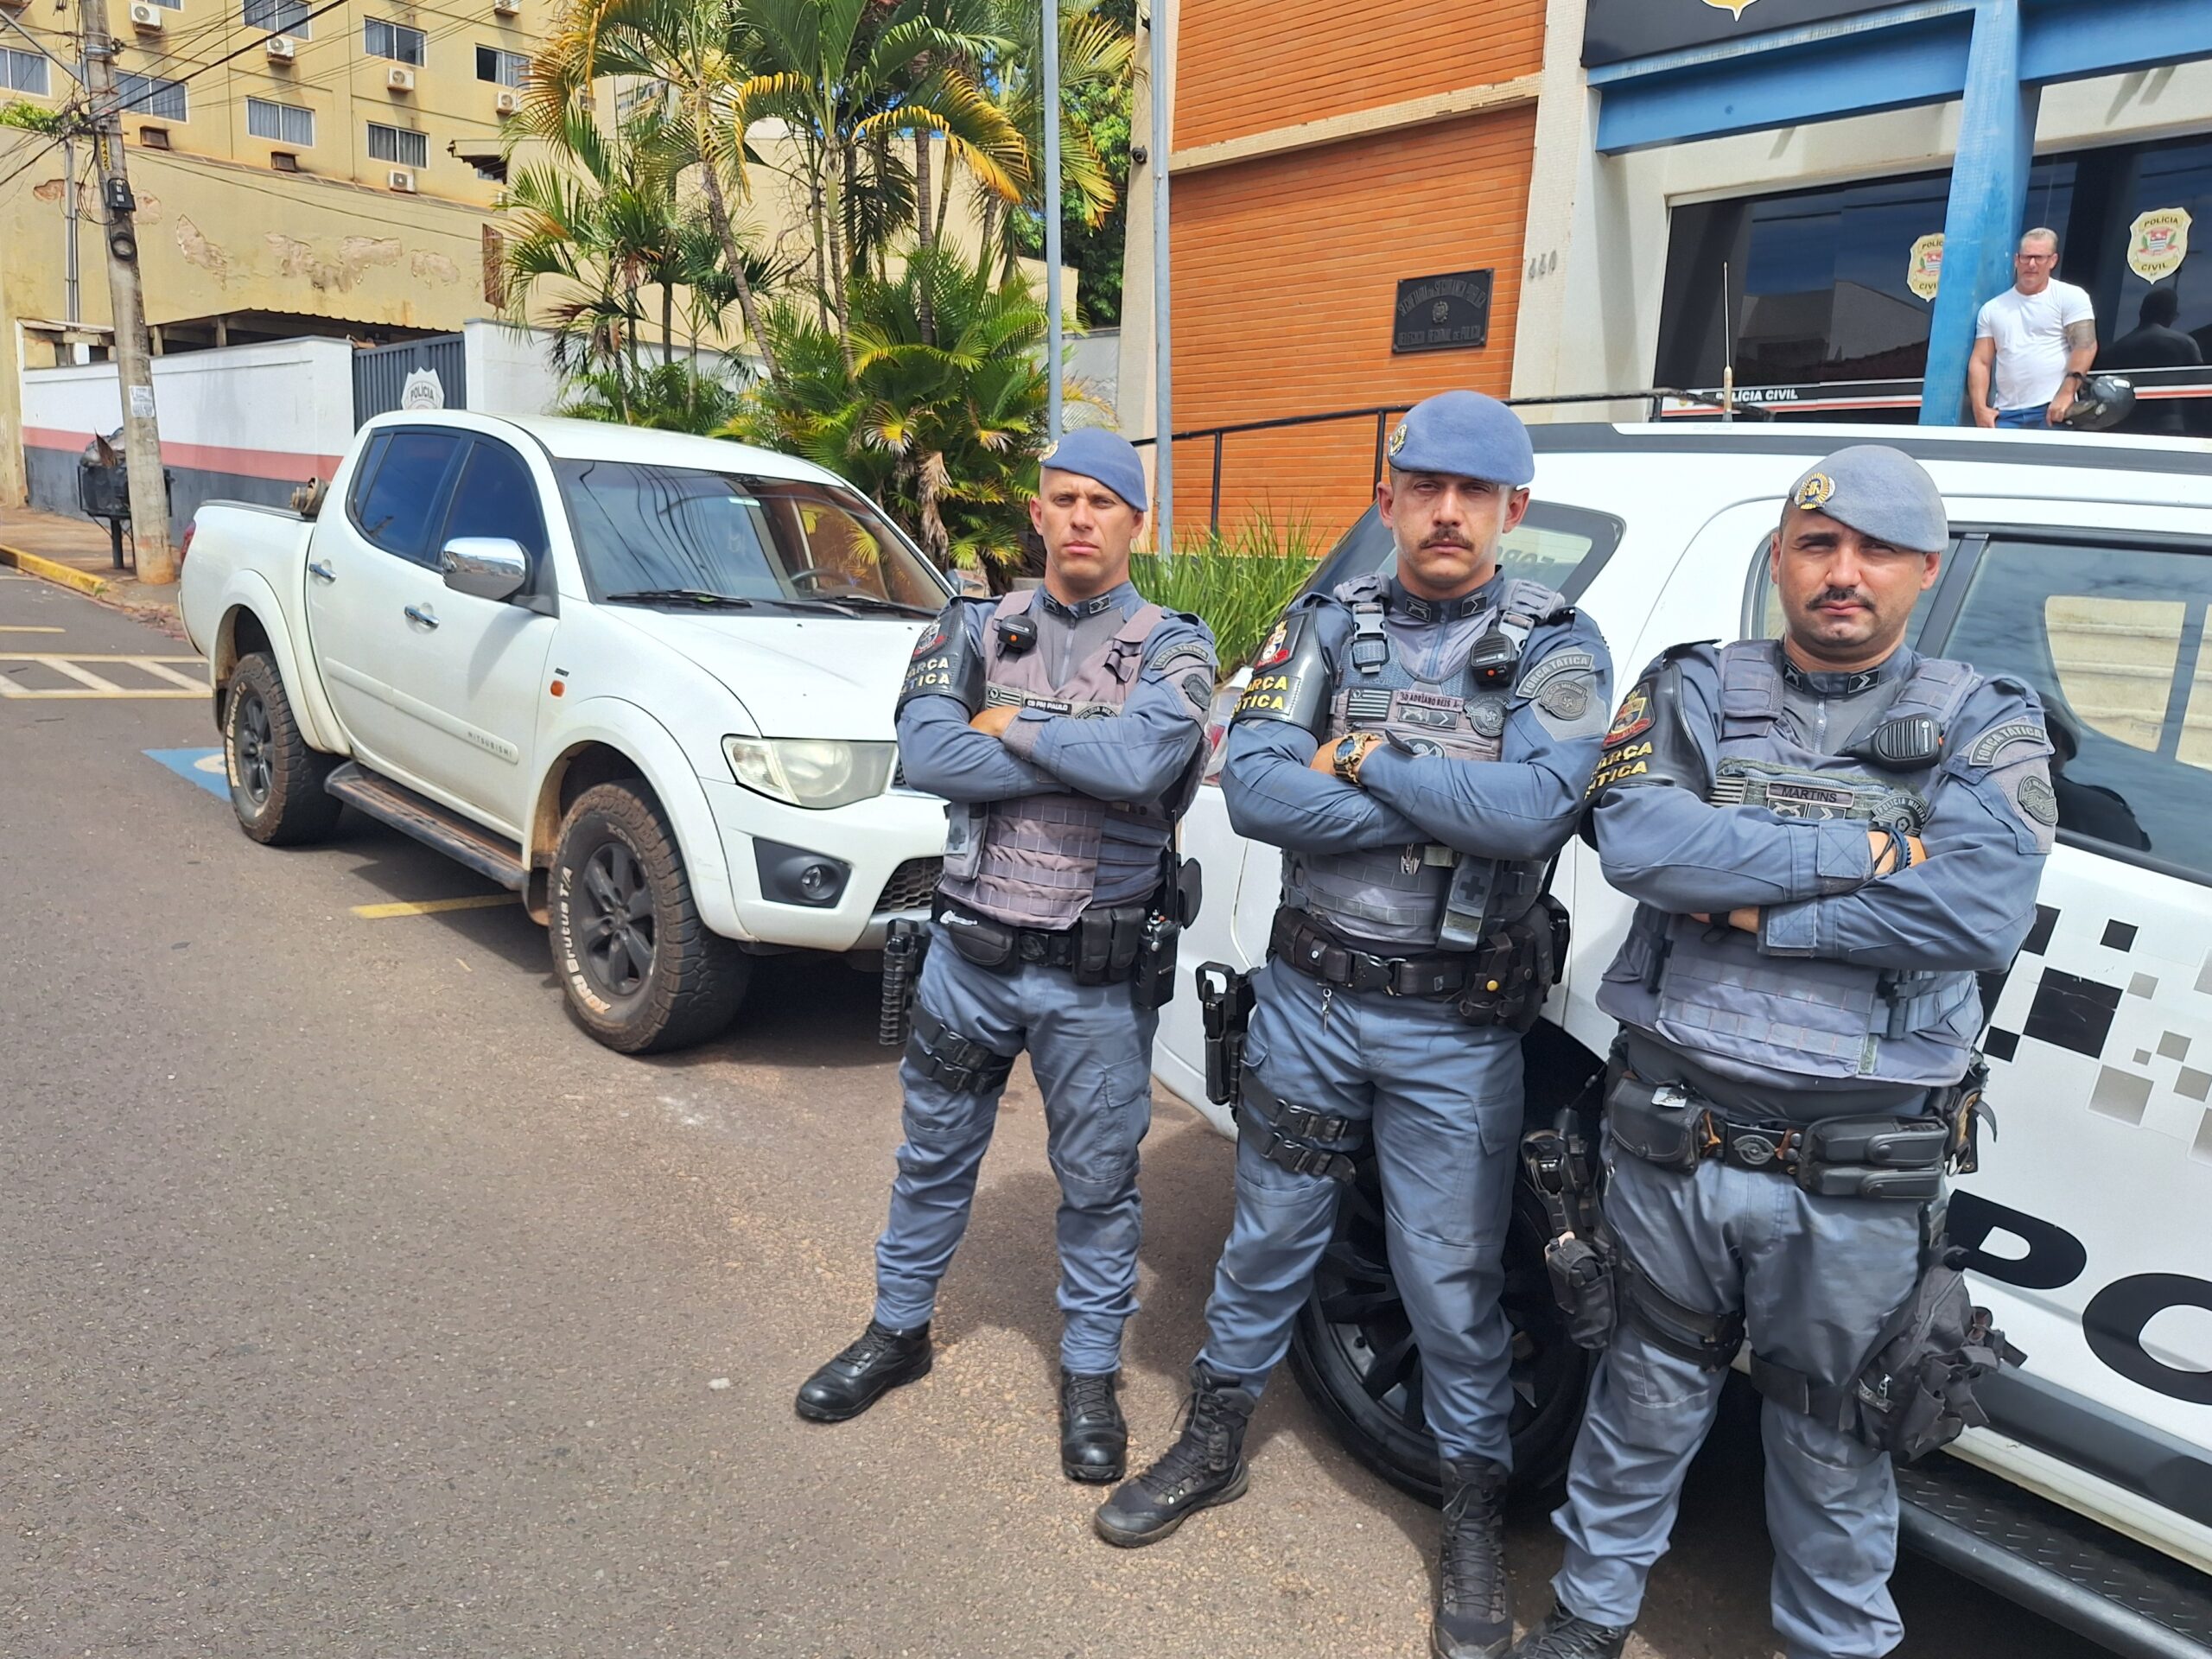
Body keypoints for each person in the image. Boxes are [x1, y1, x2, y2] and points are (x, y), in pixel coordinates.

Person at [1509, 446, 2052, 1659]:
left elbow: (1976, 911)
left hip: (1857, 1173)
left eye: (1875, 552)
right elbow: (1645, 845)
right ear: (1782, 561)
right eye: (1818, 546)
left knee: (1832, 1435)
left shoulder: (1989, 719)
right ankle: (1589, 1618)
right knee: (1643, 1395)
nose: (1842, 573)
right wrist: (1864, 861)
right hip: (1670, 1140)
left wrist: (1753, 902)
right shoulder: (1693, 686)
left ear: (1924, 570)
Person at [1095, 391, 1614, 1659]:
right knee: (1269, 1237)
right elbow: (1259, 787)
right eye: (1423, 487)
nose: (1446, 513)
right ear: (1388, 499)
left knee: (1450, 1283)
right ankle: (1214, 1439)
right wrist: (1444, 795)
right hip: (1315, 1004)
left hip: (1458, 1035)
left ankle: (1475, 1512)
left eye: (1473, 495)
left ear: (1512, 513)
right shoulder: (1329, 622)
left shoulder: (1559, 644)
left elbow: (1536, 812)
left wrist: (1367, 762)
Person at [795, 429, 1217, 1488]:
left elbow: (1143, 761)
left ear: (1136, 523)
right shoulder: (970, 626)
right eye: (1063, 499)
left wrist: (1013, 725)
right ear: (1038, 514)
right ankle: (897, 1332)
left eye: (1104, 503)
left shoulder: (1175, 646)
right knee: (931, 1159)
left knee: (1098, 1183)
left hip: (1096, 979)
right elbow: (928, 752)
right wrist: (1073, 749)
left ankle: (1087, 1374)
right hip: (969, 960)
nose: (1081, 517)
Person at [1969, 228, 2096, 429]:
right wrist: (1979, 408)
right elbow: (1981, 361)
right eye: (2026, 257)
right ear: (2016, 260)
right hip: (2005, 415)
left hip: (2052, 412)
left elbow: (2086, 345)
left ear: (2053, 260)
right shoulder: (1992, 309)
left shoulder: (2071, 297)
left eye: (2039, 258)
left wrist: (2066, 394)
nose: (2031, 264)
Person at [2101, 286, 2203, 437]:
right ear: (2168, 314)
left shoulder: (2115, 349)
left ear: (2142, 312)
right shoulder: (2184, 343)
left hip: (2123, 426)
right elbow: (2200, 390)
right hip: (2169, 426)